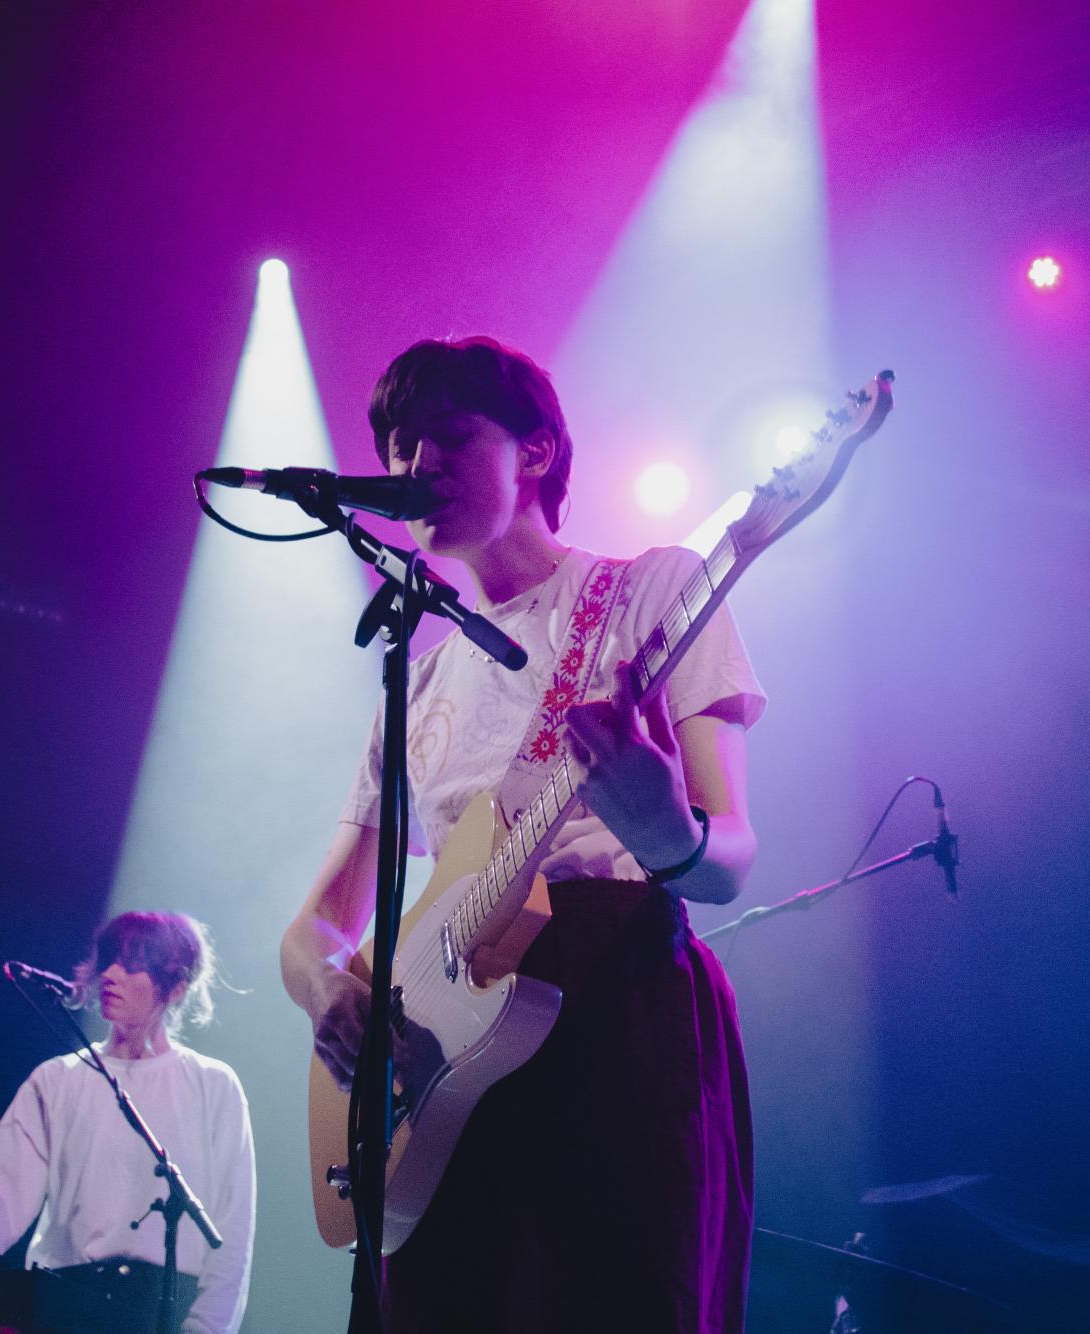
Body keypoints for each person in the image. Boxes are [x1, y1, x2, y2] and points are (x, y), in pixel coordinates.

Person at [280, 336, 764, 1333]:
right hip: (446, 1053)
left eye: (451, 437)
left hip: (618, 998)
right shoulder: (414, 677)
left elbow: (731, 859)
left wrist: (666, 828)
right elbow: (318, 921)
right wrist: (332, 990)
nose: (418, 468)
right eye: (402, 446)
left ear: (536, 452)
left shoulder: (650, 590)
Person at [0, 911, 255, 1334]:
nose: (111, 974)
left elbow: (232, 1233)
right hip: (59, 1306)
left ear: (175, 986)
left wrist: (206, 1329)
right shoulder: (57, 1078)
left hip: (160, 1314)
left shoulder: (214, 1085)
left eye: (133, 963)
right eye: (109, 960)